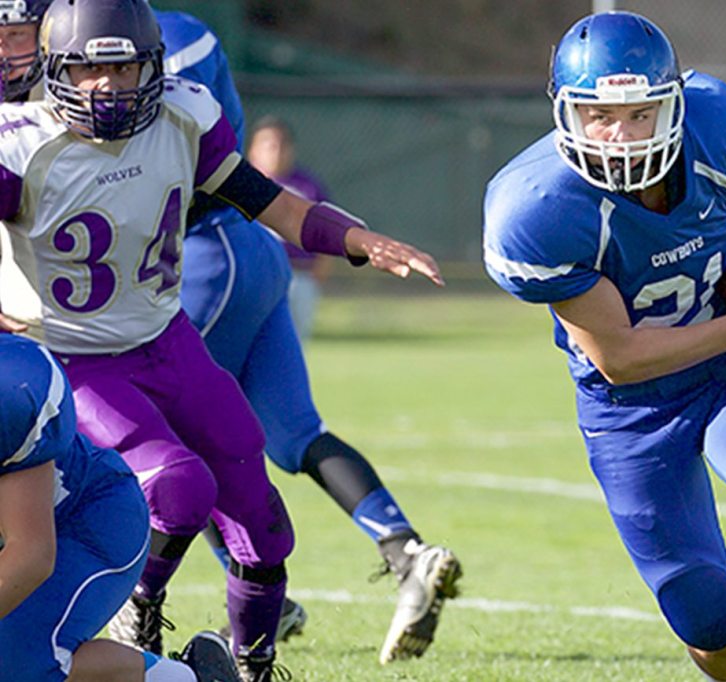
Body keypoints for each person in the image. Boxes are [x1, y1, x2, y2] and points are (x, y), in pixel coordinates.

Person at [0, 0, 442, 679]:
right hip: (73, 358)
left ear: (152, 68)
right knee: (178, 487)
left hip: (167, 340)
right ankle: (141, 610)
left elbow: (271, 202)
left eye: (124, 69)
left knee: (263, 526)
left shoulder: (182, 115)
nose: (107, 87)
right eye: (89, 70)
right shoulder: (20, 144)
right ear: (57, 70)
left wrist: (357, 239)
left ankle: (252, 666)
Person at [484, 11, 726, 682]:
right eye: (600, 115)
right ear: (566, 113)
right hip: (631, 408)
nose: (622, 135)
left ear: (674, 103)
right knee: (706, 619)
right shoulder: (537, 208)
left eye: (641, 113)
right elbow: (620, 358)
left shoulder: (719, 128)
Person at [156, 9, 462, 665]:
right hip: (252, 248)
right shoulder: (182, 30)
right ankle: (405, 552)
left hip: (202, 255)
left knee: (165, 442)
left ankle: (180, 602)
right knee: (296, 433)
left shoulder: (158, 44)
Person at [0, 333, 243, 682]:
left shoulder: (12, 389)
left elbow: (31, 553)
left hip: (90, 521)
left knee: (17, 666)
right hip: (28, 534)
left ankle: (194, 677)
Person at [246, 115, 333, 342]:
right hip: (254, 276)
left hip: (298, 274)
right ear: (253, 150)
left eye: (282, 145)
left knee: (294, 343)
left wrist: (320, 269)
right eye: (269, 145)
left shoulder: (308, 185)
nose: (276, 152)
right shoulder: (240, 185)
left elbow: (326, 231)